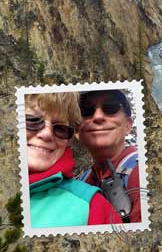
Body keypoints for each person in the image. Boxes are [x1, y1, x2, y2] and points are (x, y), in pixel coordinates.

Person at [26, 92, 121, 228]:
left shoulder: (91, 204)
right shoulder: (88, 177)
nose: (47, 134)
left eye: (60, 129)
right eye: (32, 121)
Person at [78, 90, 141, 223]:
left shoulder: (141, 172)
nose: (98, 116)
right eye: (86, 110)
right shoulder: (83, 180)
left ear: (128, 125)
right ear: (77, 129)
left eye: (111, 107)